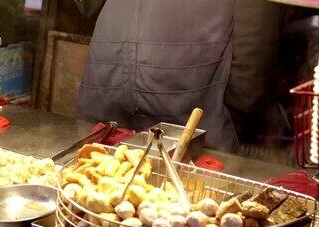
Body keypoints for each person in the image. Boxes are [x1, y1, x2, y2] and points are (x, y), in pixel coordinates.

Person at [77, 0, 288, 152]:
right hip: (106, 109)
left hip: (196, 124)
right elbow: (86, 6)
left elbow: (256, 41)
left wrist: (234, 114)